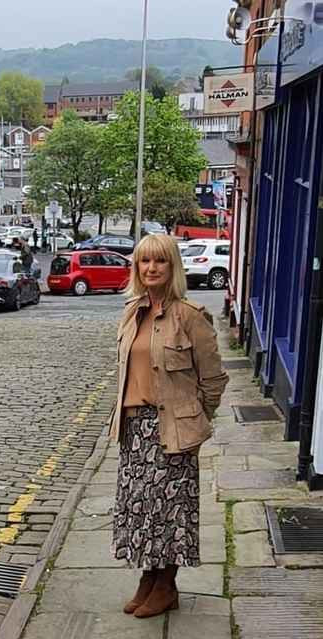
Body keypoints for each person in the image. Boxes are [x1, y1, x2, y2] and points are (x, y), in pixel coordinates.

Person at [109, 234, 228, 618]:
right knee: (141, 511)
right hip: (134, 430)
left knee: (171, 512)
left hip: (172, 429)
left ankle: (167, 585)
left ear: (172, 266)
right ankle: (148, 576)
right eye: (144, 262)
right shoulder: (132, 311)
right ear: (137, 268)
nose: (151, 269)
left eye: (159, 261)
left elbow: (213, 380)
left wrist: (197, 421)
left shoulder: (190, 316)